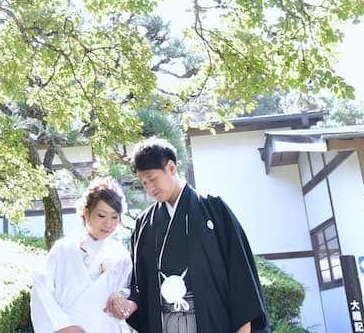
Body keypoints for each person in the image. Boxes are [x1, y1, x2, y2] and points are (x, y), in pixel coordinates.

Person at [106, 138, 269, 333]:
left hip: (214, 324)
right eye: (144, 182)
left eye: (153, 178)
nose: (150, 188)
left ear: (171, 168)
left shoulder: (213, 209)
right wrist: (129, 301)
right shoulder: (144, 224)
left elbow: (240, 274)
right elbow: (140, 285)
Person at [31, 177, 133, 333]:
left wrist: (121, 295)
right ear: (86, 212)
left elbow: (129, 289)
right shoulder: (63, 250)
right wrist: (63, 326)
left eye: (114, 217)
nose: (108, 223)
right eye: (101, 215)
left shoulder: (120, 255)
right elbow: (42, 290)